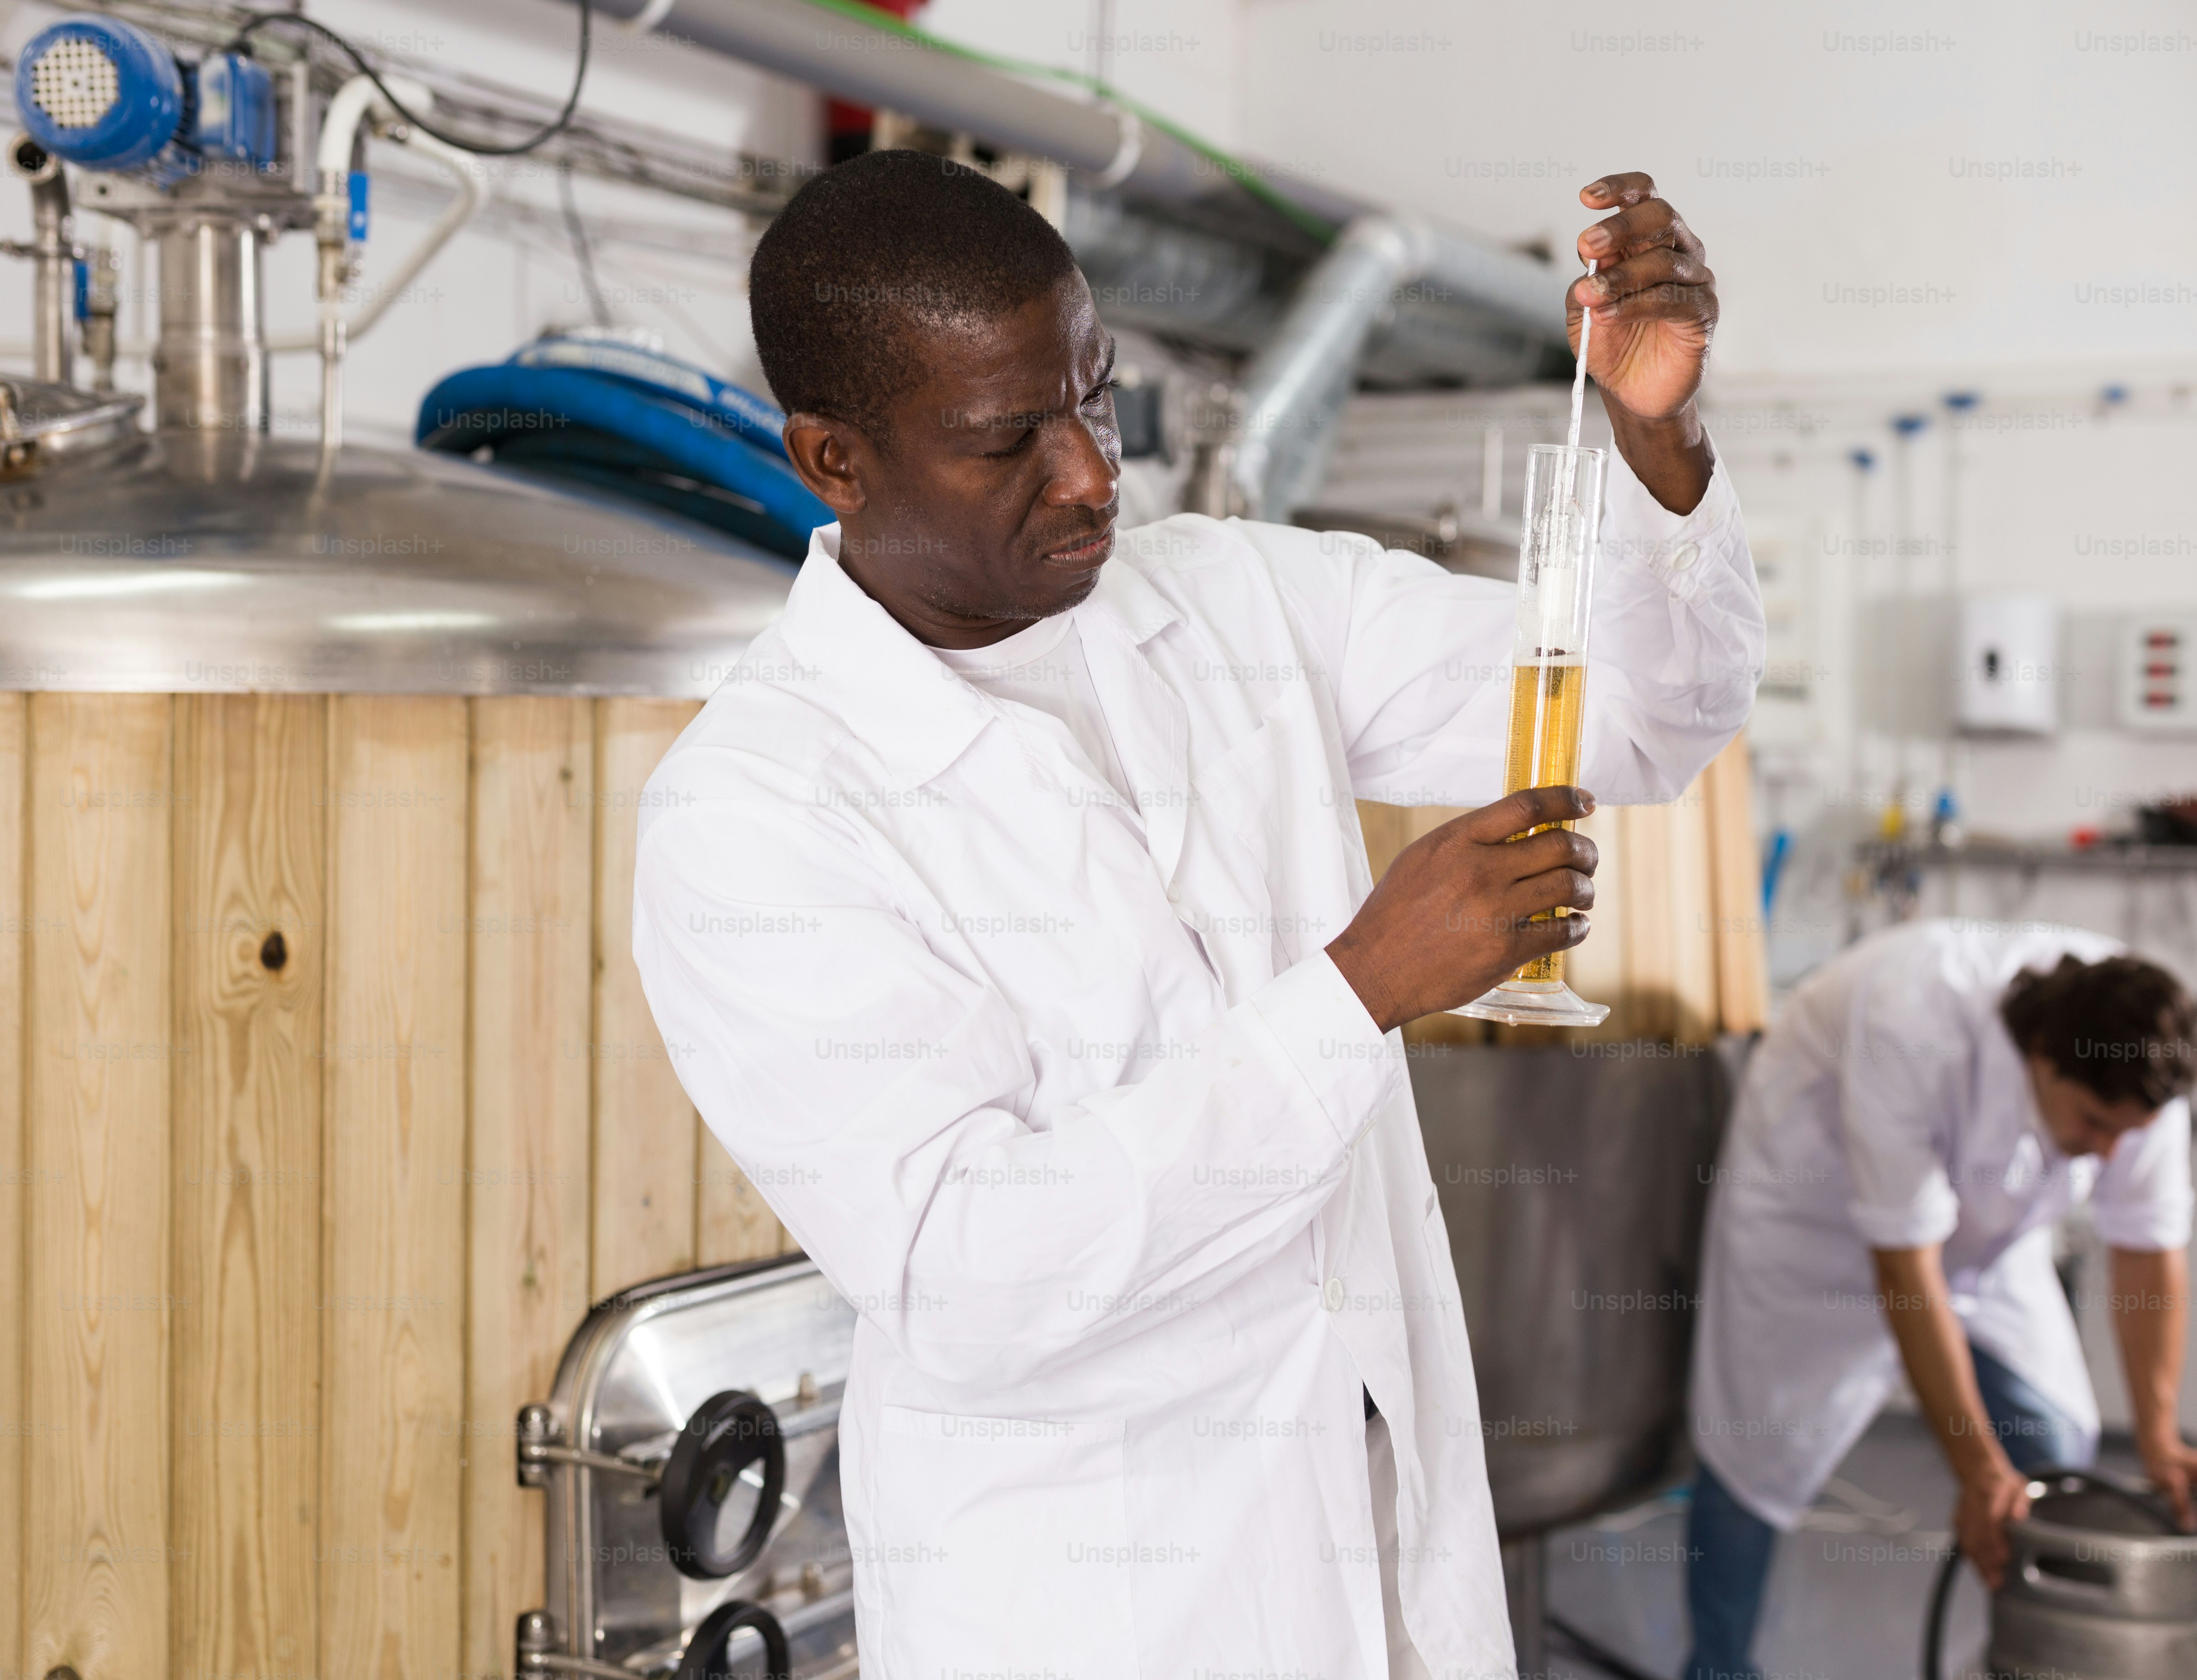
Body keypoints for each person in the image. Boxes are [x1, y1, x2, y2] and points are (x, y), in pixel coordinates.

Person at [631, 151, 1763, 1679]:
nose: (1092, 470)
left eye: (1096, 397)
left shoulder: (1228, 598)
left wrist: (1657, 437)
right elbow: (971, 1275)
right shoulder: (760, 808)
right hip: (1097, 1608)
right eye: (1008, 437)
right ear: (837, 459)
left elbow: (1641, 713)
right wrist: (1355, 991)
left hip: (1385, 1539)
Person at [1683, 918, 2197, 1680]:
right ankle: (1717, 1668)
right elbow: (1907, 1272)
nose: (2109, 1154)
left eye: (2128, 1135)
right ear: (2042, 1058)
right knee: (1752, 1464)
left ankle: (2031, 1662)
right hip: (1811, 1227)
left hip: (1984, 1235)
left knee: (2053, 1449)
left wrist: (2159, 1440)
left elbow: (2149, 1250)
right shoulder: (1911, 1020)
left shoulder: (2142, 1066)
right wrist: (1976, 1468)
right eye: (2094, 1126)